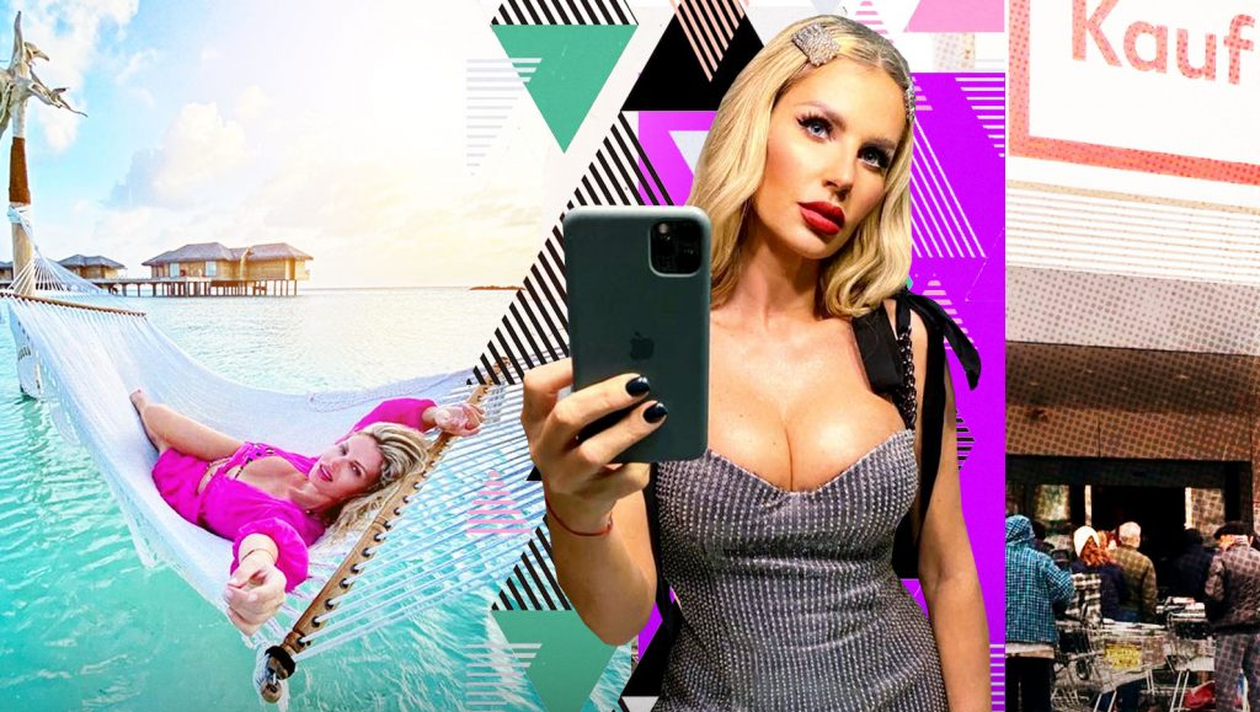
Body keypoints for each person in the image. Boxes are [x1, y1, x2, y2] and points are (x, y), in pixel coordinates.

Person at [521, 15, 988, 711]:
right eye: (818, 127)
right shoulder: (652, 345)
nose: (843, 176)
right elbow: (620, 616)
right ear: (754, 122)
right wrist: (574, 504)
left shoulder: (903, 338)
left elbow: (950, 571)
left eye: (874, 156)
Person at [129, 389, 483, 634]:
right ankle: (151, 412)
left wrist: (263, 569)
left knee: (156, 424)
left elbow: (269, 539)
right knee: (158, 415)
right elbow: (388, 415)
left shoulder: (302, 523)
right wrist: (436, 415)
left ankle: (152, 424)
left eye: (354, 470)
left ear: (364, 492)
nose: (336, 462)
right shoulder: (318, 466)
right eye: (343, 449)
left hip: (185, 480)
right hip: (230, 452)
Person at [1006, 515, 1074, 712]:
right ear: (1028, 535)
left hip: (1001, 646)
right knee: (1037, 701)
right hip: (1037, 645)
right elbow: (1065, 590)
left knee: (1005, 702)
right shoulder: (1041, 560)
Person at [1205, 522, 1260, 712]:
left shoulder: (1223, 559)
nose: (1219, 545)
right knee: (1258, 683)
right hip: (1257, 631)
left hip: (1230, 631)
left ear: (1228, 537)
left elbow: (1213, 595)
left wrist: (1212, 619)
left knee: (1226, 687)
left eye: (1220, 540)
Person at [1070, 526, 1126, 621]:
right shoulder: (1113, 568)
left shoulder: (1072, 570)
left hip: (1080, 620)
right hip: (1110, 619)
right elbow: (1123, 594)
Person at [1112, 521, 1157, 622]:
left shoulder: (1107, 556)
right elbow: (1148, 597)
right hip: (1133, 612)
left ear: (1120, 538)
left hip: (1109, 611)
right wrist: (1150, 620)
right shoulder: (1145, 562)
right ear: (1137, 539)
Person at [1166, 528, 1214, 601]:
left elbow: (1173, 588)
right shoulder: (1211, 558)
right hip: (1206, 601)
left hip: (1184, 601)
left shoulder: (1178, 561)